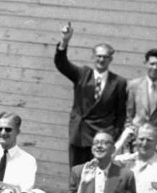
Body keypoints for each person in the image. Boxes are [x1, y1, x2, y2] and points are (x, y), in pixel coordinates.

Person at [53, 23, 128, 168]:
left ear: (110, 59)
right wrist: (64, 41)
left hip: (101, 137)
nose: (101, 60)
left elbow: (121, 114)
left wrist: (112, 135)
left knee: (99, 174)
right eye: (99, 56)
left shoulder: (118, 82)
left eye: (105, 57)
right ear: (93, 57)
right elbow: (62, 64)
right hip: (79, 134)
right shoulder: (82, 74)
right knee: (76, 172)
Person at [116, 47, 157, 151]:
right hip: (138, 138)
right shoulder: (134, 85)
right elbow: (129, 113)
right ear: (145, 63)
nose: (155, 67)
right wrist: (131, 132)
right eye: (152, 63)